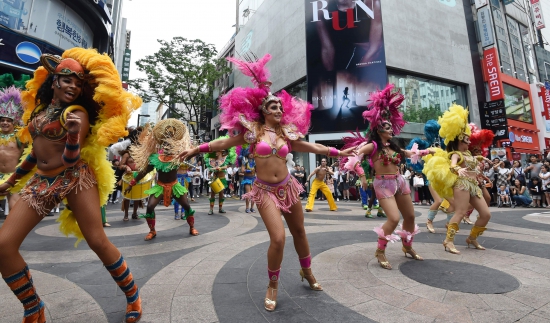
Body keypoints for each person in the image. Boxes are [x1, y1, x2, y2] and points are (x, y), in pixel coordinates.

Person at [178, 54, 352, 311]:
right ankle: (273, 284)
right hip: (264, 191)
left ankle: (307, 271)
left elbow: (313, 146)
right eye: (273, 107)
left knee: (300, 232)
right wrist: (195, 149)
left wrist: (339, 153)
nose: (279, 110)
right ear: (263, 111)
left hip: (288, 187)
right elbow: (223, 143)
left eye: (281, 107)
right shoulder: (251, 133)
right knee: (279, 238)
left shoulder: (287, 134)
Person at [0, 49, 143, 323]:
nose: (73, 87)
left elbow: (70, 158)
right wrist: (11, 181)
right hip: (41, 182)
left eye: (78, 84)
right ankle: (34, 308)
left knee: (98, 241)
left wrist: (75, 136)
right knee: (4, 245)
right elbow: (35, 153)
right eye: (67, 80)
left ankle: (133, 295)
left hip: (76, 178)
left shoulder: (76, 113)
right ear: (54, 81)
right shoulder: (41, 112)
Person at [345, 84, 430, 269]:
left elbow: (408, 154)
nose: (391, 130)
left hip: (399, 181)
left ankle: (407, 247)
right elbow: (354, 158)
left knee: (410, 216)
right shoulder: (372, 146)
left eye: (391, 127)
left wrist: (427, 151)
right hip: (382, 184)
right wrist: (361, 176)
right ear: (378, 130)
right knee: (393, 218)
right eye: (387, 127)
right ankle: (380, 251)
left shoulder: (394, 146)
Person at [425, 104, 491, 255]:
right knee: (460, 212)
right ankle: (448, 241)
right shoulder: (456, 154)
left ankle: (472, 238)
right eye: (466, 140)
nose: (469, 141)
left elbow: (474, 160)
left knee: (486, 214)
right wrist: (457, 169)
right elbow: (452, 165)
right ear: (459, 140)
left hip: (473, 186)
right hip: (462, 185)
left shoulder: (468, 154)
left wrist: (483, 161)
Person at [126, 119, 197, 239]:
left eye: (171, 142)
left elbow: (193, 153)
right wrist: (131, 184)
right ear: (162, 145)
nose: (168, 145)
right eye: (166, 143)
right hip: (159, 186)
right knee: (150, 206)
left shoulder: (178, 156)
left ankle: (192, 227)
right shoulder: (155, 158)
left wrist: (198, 148)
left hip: (175, 186)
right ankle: (152, 231)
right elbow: (144, 172)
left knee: (186, 206)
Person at [0, 87, 25, 215]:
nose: (4, 123)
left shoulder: (20, 137)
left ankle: (14, 231)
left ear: (13, 122)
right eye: (2, 120)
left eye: (8, 121)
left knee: (15, 208)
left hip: (13, 177)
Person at [205, 136, 236, 214]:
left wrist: (220, 168)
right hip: (214, 178)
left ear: (221, 151)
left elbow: (228, 166)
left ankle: (220, 208)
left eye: (217, 151)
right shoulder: (212, 160)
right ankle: (211, 209)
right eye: (215, 151)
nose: (215, 152)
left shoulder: (225, 158)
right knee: (212, 194)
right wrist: (210, 172)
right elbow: (210, 168)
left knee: (221, 194)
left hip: (222, 178)